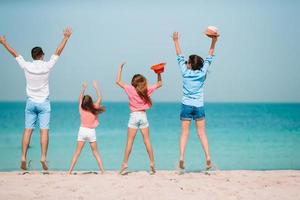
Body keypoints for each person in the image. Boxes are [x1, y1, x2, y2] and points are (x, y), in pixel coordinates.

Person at [0, 27, 72, 170]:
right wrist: (66, 38)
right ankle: (43, 157)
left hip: (31, 103)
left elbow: (15, 54)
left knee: (27, 130)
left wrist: (3, 43)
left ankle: (23, 157)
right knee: (44, 131)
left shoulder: (27, 66)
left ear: (33, 56)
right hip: (44, 103)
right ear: (42, 55)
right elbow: (58, 51)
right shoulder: (47, 66)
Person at [172, 31, 218, 171]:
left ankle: (181, 157)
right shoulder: (202, 73)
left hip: (186, 105)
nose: (186, 63)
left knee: (184, 133)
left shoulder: (185, 72)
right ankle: (208, 157)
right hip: (199, 106)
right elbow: (209, 57)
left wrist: (175, 41)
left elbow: (179, 56)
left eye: (188, 62)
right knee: (202, 133)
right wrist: (214, 41)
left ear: (190, 64)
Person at [116, 62, 162, 175]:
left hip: (133, 116)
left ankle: (125, 163)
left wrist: (120, 68)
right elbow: (160, 83)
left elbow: (118, 81)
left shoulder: (130, 89)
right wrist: (159, 72)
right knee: (147, 141)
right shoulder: (146, 89)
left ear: (133, 83)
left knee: (130, 142)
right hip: (143, 116)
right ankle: (152, 162)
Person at [68, 81, 105, 174]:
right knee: (96, 153)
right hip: (91, 132)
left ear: (83, 102)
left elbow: (80, 97)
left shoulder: (81, 108)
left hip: (82, 131)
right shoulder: (95, 108)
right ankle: (103, 171)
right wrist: (96, 87)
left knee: (77, 152)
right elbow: (100, 97)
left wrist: (83, 88)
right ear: (91, 102)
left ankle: (69, 171)